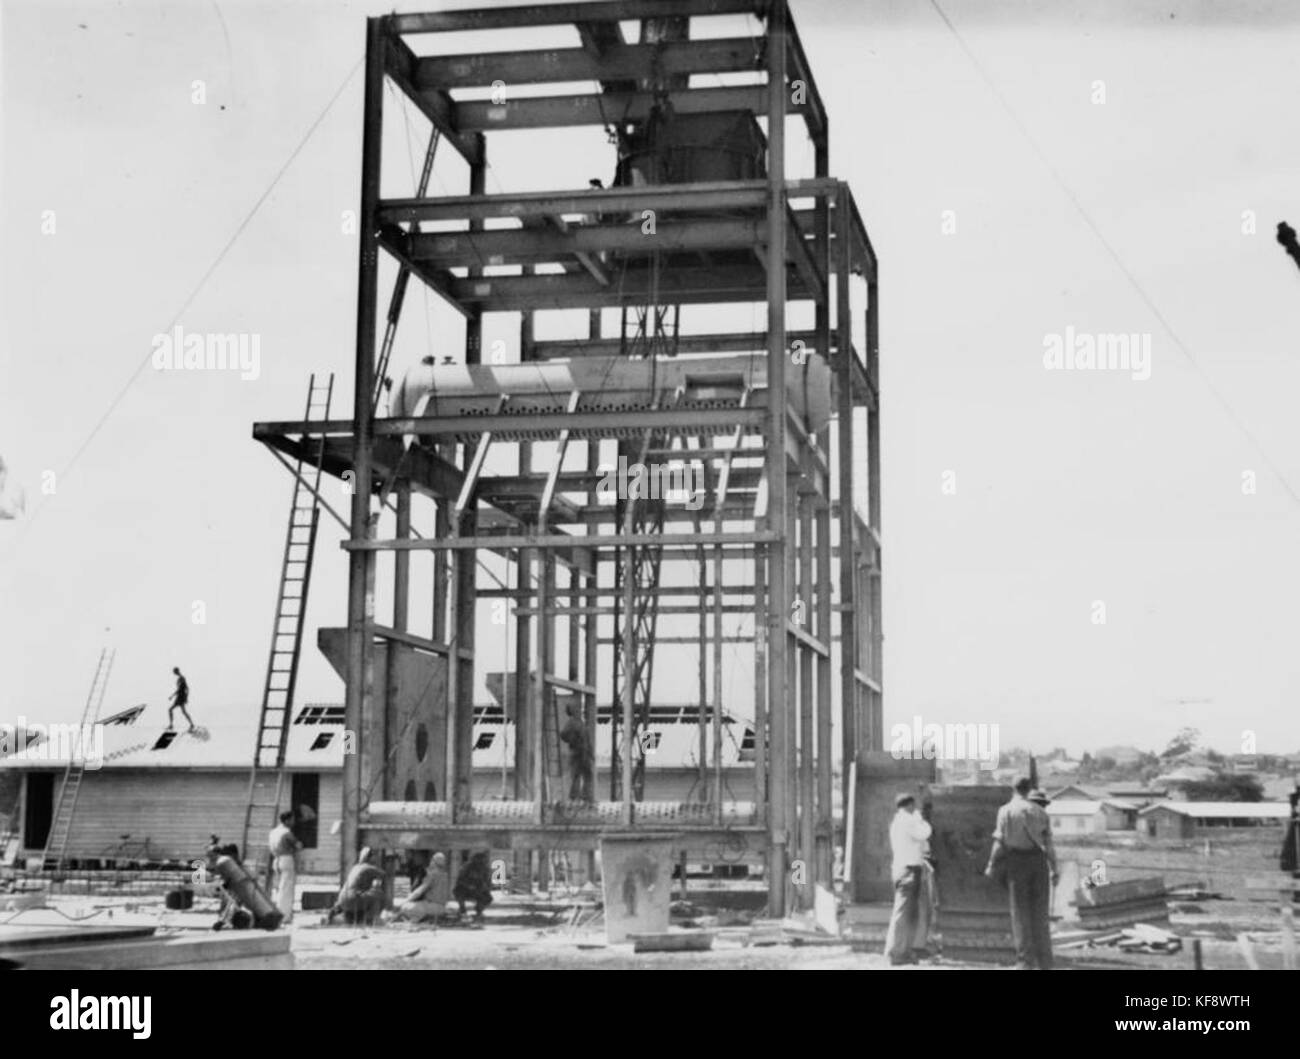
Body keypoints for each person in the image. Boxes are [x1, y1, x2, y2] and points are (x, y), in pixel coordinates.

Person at [985, 776, 1058, 970]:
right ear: (1029, 790)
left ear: (1014, 789)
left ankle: (1025, 962)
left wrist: (991, 865)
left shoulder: (1006, 811)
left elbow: (999, 843)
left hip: (1017, 863)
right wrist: (1055, 869)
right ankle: (1046, 962)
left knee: (1020, 913)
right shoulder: (1041, 812)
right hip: (1039, 863)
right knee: (1040, 914)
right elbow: (1049, 845)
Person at [884, 792, 932, 966]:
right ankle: (896, 952)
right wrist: (920, 818)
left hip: (902, 869)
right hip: (909, 870)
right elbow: (924, 833)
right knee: (903, 913)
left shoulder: (898, 821)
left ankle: (902, 950)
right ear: (910, 805)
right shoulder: (908, 820)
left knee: (906, 912)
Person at [331, 847, 387, 926]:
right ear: (370, 857)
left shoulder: (355, 867)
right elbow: (384, 875)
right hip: (353, 899)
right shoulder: (368, 867)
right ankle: (369, 920)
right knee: (378, 895)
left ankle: (352, 919)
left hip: (342, 900)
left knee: (366, 895)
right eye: (374, 856)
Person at [396, 852, 451, 924]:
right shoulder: (445, 875)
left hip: (432, 906)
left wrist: (406, 900)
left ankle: (417, 919)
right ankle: (418, 918)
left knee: (405, 907)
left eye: (432, 860)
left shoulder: (432, 875)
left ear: (434, 862)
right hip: (442, 907)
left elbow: (419, 891)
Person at [268, 811, 303, 924]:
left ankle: (278, 911)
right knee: (287, 889)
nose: (293, 822)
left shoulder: (273, 832)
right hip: (286, 859)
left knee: (279, 888)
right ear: (287, 820)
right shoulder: (286, 833)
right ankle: (285, 916)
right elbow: (298, 846)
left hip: (276, 859)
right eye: (292, 819)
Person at [559, 702, 594, 802]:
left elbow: (587, 739)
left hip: (583, 752)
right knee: (578, 774)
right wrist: (573, 740)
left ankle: (582, 796)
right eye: (576, 709)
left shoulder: (579, 722)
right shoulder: (572, 722)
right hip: (578, 752)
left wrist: (590, 753)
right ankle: (578, 796)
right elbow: (563, 734)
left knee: (584, 774)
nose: (579, 711)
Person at [453, 850, 494, 920]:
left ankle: (479, 910)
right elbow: (460, 880)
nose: (480, 862)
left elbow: (488, 883)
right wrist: (468, 885)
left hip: (479, 890)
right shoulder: (466, 867)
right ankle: (462, 909)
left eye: (483, 860)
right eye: (479, 860)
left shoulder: (486, 869)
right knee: (458, 891)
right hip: (466, 889)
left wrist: (484, 887)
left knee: (488, 897)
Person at [168, 667, 195, 731]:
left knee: (171, 710)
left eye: (174, 672)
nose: (174, 673)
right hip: (180, 697)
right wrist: (186, 697)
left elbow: (183, 689)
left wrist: (172, 696)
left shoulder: (181, 678)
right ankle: (191, 724)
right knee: (183, 711)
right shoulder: (180, 678)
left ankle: (171, 725)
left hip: (180, 697)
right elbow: (186, 688)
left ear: (176, 671)